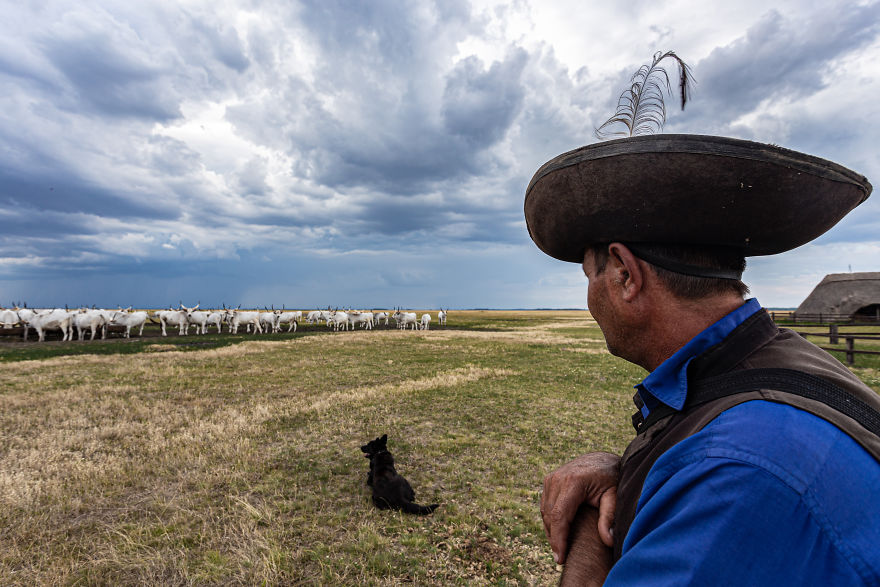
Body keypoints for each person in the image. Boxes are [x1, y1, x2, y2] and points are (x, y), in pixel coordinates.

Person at [524, 134, 880, 585]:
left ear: (624, 274)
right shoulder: (785, 367)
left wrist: (589, 528)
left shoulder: (732, 469)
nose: (590, 299)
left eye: (589, 276)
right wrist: (629, 473)